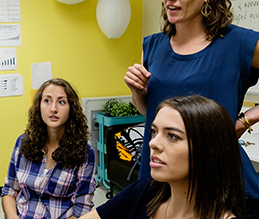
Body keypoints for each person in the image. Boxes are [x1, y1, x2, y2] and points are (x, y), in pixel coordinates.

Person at [124, 0, 259, 214]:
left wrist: (246, 121)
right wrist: (137, 91)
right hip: (161, 175)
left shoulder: (240, 43)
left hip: (217, 176)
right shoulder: (152, 46)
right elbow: (150, 113)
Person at [80, 95, 245, 219]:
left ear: (208, 150)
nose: (152, 143)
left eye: (172, 136)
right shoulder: (144, 192)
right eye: (154, 132)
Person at [1, 78, 96, 218]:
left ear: (72, 108)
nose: (53, 109)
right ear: (39, 106)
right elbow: (9, 191)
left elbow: (81, 209)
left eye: (61, 102)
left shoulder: (85, 154)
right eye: (47, 100)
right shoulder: (23, 142)